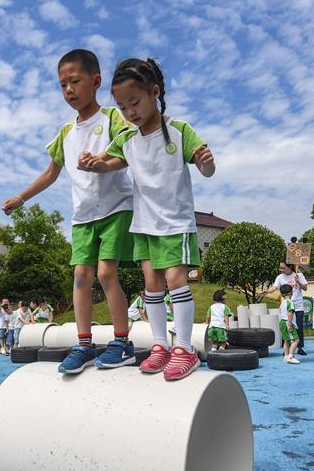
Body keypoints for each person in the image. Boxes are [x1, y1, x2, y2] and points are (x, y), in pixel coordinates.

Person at [2, 49, 136, 375]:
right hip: (83, 217)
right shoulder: (66, 133)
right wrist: (21, 198)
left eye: (75, 81)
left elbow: (131, 152)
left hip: (116, 208)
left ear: (96, 81)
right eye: (63, 85)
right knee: (80, 276)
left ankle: (122, 342)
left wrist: (103, 163)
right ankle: (84, 343)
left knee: (105, 274)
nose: (69, 91)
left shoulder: (112, 120)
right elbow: (50, 174)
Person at [81, 57, 216, 381]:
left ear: (155, 92)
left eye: (135, 102)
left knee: (175, 280)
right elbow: (108, 162)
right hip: (144, 224)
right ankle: (160, 346)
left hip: (175, 222)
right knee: (152, 285)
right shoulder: (127, 140)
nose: (130, 112)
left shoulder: (179, 131)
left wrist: (206, 162)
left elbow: (207, 170)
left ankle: (184, 348)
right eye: (123, 107)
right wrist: (92, 163)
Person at [260, 263, 309, 355]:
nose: (281, 269)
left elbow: (305, 288)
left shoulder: (299, 275)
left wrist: (298, 282)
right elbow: (275, 287)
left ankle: (300, 347)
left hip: (297, 306)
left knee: (299, 328)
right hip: (286, 306)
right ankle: (287, 349)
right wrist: (267, 291)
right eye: (280, 267)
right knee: (287, 327)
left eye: (283, 268)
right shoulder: (280, 277)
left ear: (290, 267)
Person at [278, 285, 300, 364]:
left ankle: (286, 356)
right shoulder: (290, 303)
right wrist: (290, 325)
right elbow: (290, 314)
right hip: (287, 322)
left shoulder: (282, 303)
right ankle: (290, 356)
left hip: (282, 322)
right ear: (291, 293)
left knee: (286, 340)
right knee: (296, 340)